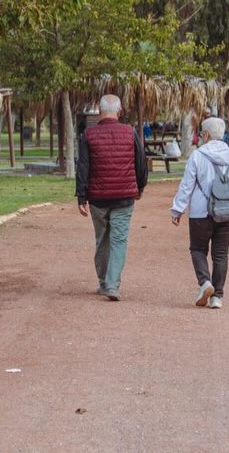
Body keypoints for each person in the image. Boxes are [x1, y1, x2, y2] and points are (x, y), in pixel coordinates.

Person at [170, 117, 229, 309]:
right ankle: (217, 297)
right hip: (228, 211)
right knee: (221, 254)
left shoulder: (197, 156)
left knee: (198, 249)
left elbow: (187, 185)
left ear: (205, 135)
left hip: (201, 212)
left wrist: (178, 209)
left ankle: (205, 282)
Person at [76, 94, 148, 302]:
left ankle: (103, 282)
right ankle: (112, 285)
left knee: (102, 240)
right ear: (119, 111)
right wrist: (140, 187)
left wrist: (81, 196)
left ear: (100, 111)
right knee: (119, 240)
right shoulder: (130, 132)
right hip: (124, 197)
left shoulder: (88, 135)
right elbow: (141, 163)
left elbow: (83, 167)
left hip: (98, 199)